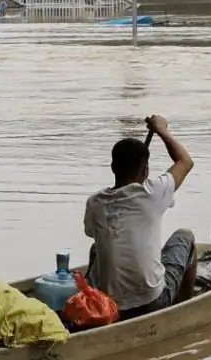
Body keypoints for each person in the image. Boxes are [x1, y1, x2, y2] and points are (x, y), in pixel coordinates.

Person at [83, 115, 196, 320]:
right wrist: (161, 130)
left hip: (108, 304)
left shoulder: (94, 202)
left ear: (112, 168)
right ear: (145, 170)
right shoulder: (152, 193)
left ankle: (98, 300)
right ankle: (184, 306)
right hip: (150, 302)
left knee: (96, 248)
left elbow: (91, 232)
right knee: (185, 237)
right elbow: (185, 161)